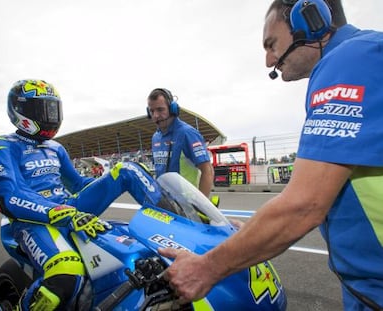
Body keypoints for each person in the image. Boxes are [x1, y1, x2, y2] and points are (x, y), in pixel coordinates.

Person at [159, 0, 383, 310]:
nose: (268, 60)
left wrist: (204, 268)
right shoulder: (362, 57)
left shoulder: (348, 60)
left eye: (271, 43)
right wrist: (251, 232)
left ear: (310, 17)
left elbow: (305, 205)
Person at [0, 79, 160, 311]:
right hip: (33, 221)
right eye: (42, 109)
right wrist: (59, 212)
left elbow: (77, 183)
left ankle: (180, 224)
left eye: (53, 108)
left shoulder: (56, 147)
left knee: (126, 169)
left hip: (71, 210)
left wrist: (105, 184)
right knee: (66, 275)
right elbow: (10, 196)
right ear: (21, 110)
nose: (50, 115)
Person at [147, 88, 214, 197]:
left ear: (173, 109)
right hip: (166, 202)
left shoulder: (187, 133)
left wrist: (200, 208)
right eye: (152, 111)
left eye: (160, 110)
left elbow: (208, 171)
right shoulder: (156, 137)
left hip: (188, 206)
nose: (155, 115)